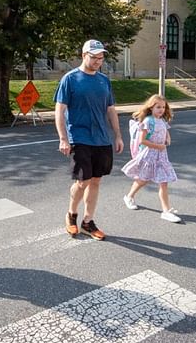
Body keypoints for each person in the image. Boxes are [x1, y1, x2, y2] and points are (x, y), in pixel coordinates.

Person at [54, 39, 123, 241]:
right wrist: (63, 138)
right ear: (84, 55)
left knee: (96, 181)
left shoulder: (104, 80)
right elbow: (59, 110)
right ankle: (71, 214)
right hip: (80, 136)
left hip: (101, 139)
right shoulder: (70, 79)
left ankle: (88, 221)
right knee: (82, 181)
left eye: (101, 58)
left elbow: (110, 109)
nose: (98, 61)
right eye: (94, 57)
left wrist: (117, 135)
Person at [121, 94, 181, 223]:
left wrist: (167, 139)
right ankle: (129, 196)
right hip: (149, 155)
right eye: (158, 107)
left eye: (163, 107)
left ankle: (166, 211)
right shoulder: (148, 121)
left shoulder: (162, 121)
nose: (161, 109)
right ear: (151, 107)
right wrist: (157, 146)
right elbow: (142, 141)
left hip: (161, 156)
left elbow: (166, 131)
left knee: (163, 182)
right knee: (143, 179)